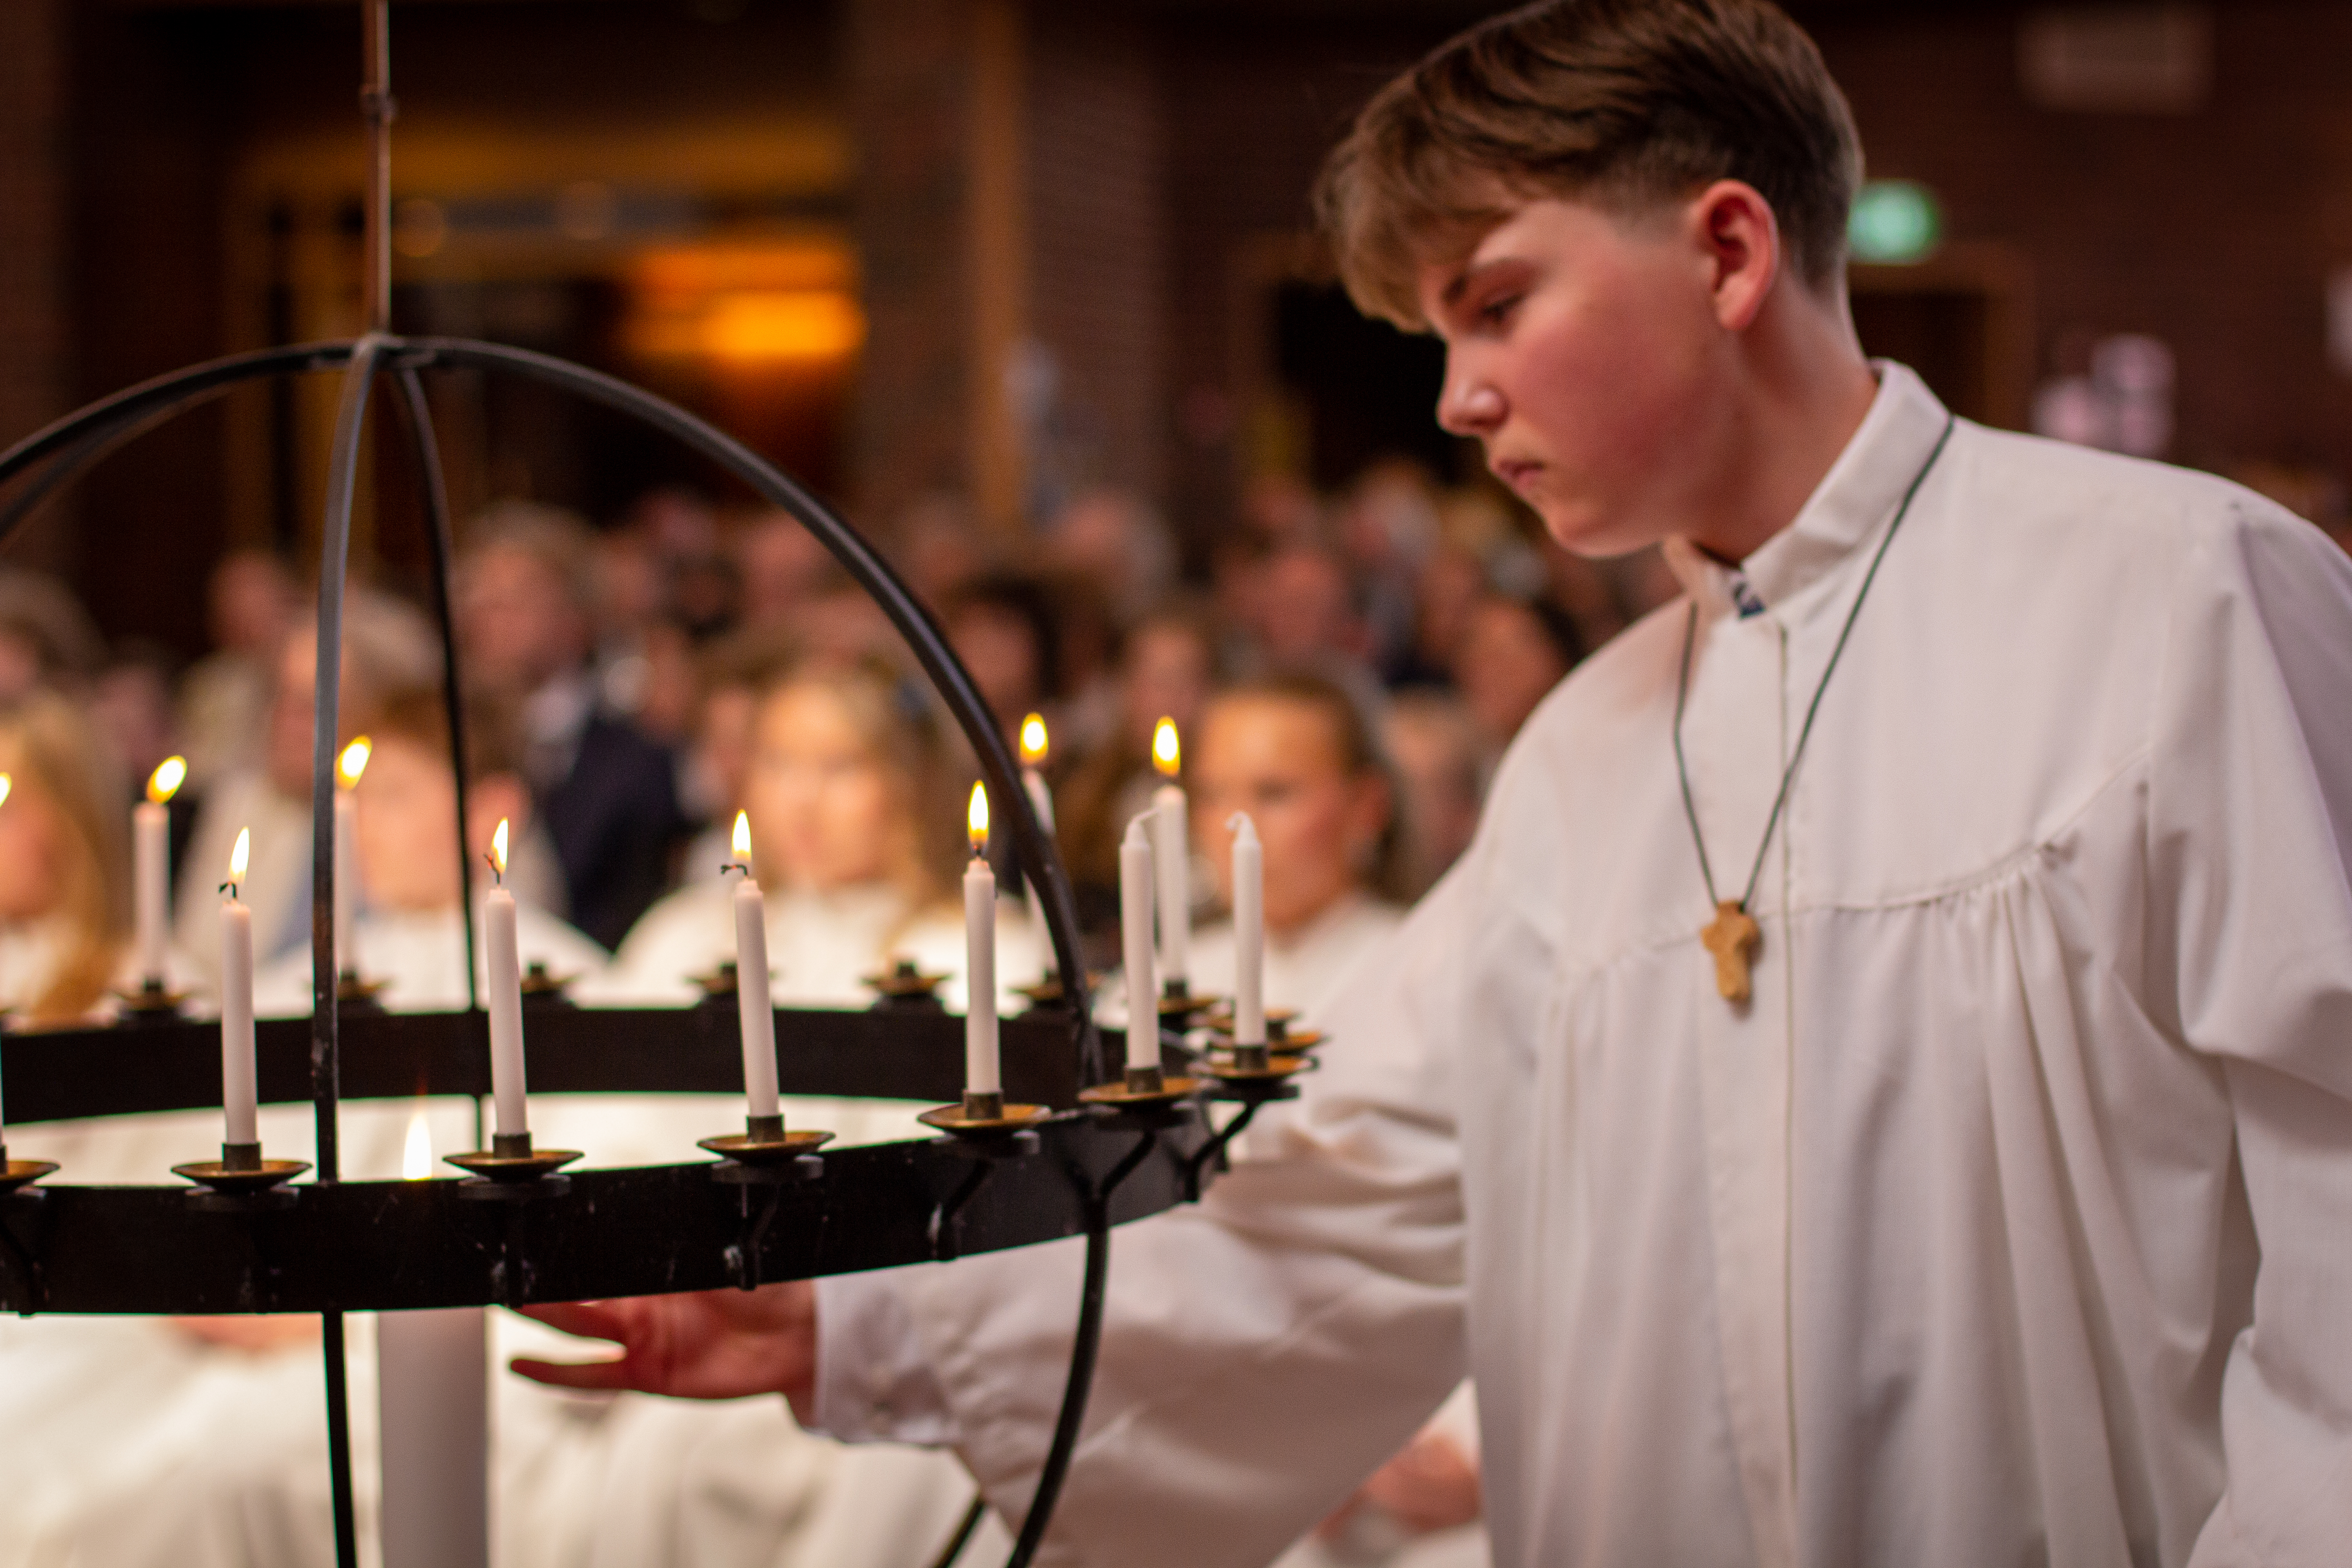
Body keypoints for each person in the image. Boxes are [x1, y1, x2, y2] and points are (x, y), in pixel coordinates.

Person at [520, 4, 2352, 1566]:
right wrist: (866, 1331)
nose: (1458, 401)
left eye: (1495, 306)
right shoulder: (1584, 757)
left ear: (1727, 253)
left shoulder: (2171, 598)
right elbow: (1344, 1227)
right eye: (1438, 341)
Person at [459, 503, 685, 949]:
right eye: (480, 597)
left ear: (576, 615)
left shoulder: (635, 761)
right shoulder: (440, 741)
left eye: (517, 598)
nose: (491, 616)